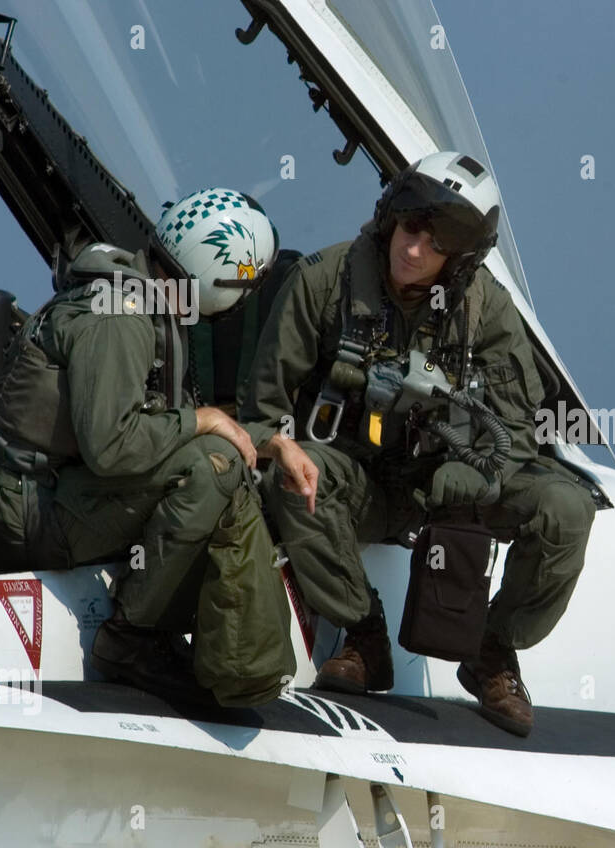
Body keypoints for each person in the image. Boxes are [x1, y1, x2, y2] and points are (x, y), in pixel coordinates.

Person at [240, 151, 596, 736]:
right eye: (409, 229)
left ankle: (491, 652)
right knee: (299, 475)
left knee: (566, 508)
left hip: (448, 486)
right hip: (361, 484)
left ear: (461, 258)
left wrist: (486, 475)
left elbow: (517, 430)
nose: (412, 251)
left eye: (433, 244)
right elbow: (262, 414)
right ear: (390, 218)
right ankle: (363, 638)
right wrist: (285, 449)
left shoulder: (485, 309)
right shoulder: (324, 283)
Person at [0, 188, 292, 707]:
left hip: (39, 493)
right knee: (215, 466)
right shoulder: (122, 316)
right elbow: (114, 448)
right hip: (28, 514)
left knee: (219, 449)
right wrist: (205, 421)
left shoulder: (142, 298)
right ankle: (132, 640)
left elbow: (162, 423)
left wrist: (271, 442)